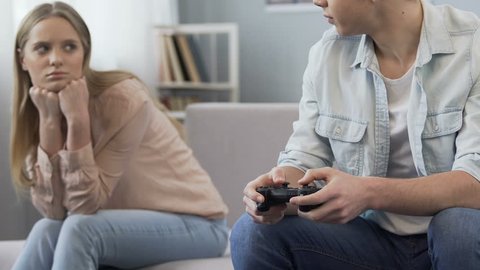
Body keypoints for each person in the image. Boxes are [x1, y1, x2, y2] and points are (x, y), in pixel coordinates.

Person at [231, 0, 480, 269]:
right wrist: (274, 191)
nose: (318, 1)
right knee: (252, 233)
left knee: (458, 226)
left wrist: (368, 192)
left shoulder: (472, 45)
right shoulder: (326, 55)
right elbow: (304, 158)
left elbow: (474, 184)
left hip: (457, 240)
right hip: (373, 241)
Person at [10, 2, 229, 269]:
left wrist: (78, 118)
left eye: (69, 47)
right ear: (23, 59)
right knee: (46, 229)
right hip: (121, 225)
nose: (56, 59)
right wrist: (49, 122)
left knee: (81, 228)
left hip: (198, 225)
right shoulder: (38, 109)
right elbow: (54, 212)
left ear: (84, 53)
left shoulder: (122, 98)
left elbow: (84, 206)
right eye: (42, 48)